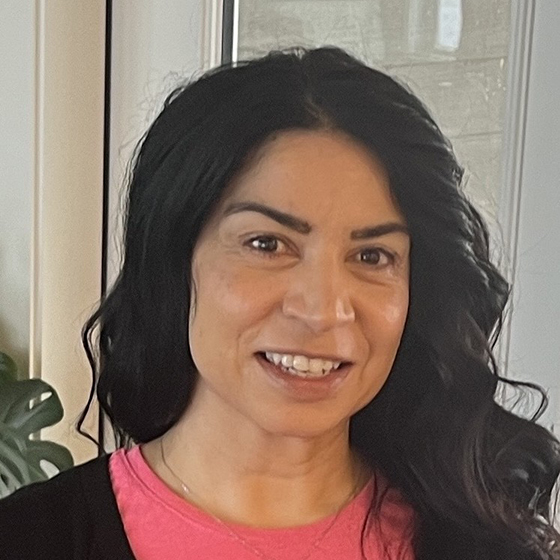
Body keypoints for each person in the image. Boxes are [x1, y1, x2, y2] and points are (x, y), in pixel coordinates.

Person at [1, 47, 559, 560]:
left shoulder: (483, 544)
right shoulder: (29, 539)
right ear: (173, 262)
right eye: (267, 244)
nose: (322, 311)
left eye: (372, 256)